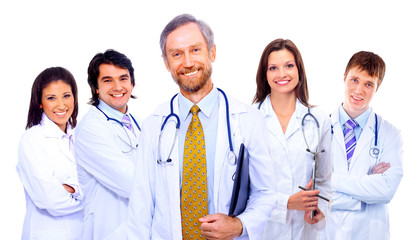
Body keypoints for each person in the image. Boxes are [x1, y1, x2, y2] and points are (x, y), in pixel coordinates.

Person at [128, 14, 276, 240]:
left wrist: (238, 225)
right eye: (176, 54)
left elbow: (265, 193)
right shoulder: (153, 126)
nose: (187, 62)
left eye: (195, 50)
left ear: (212, 52)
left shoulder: (248, 120)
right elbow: (141, 204)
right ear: (166, 63)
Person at [252, 38, 332, 240]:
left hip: (304, 232)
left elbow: (324, 179)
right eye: (273, 68)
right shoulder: (248, 119)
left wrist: (319, 209)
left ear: (299, 70)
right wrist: (286, 203)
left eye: (289, 65)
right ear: (265, 74)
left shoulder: (319, 120)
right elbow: (242, 186)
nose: (282, 74)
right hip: (262, 231)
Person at [320, 51, 403, 240]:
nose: (359, 90)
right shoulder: (318, 129)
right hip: (326, 232)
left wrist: (330, 179)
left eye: (368, 84)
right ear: (344, 78)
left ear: (377, 87)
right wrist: (367, 185)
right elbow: (312, 192)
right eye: (354, 80)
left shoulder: (390, 134)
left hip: (370, 234)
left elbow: (386, 191)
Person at [74, 49, 141, 239]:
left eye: (123, 78)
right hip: (108, 229)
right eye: (107, 80)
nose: (117, 87)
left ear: (132, 83)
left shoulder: (139, 124)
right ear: (95, 87)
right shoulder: (90, 129)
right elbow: (130, 183)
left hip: (137, 227)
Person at [17, 67, 83, 239]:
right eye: (51, 98)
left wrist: (70, 188)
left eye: (66, 96)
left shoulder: (82, 136)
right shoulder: (33, 139)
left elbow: (99, 185)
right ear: (40, 102)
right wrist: (87, 197)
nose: (61, 105)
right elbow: (50, 200)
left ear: (75, 98)